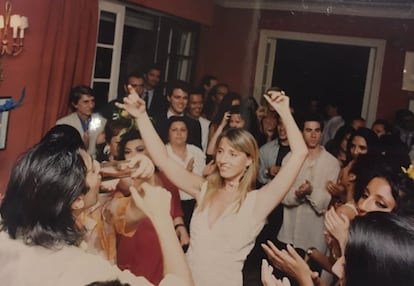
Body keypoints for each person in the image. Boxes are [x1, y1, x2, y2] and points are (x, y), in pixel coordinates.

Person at [116, 86, 308, 286]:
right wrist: (141, 117)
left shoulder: (258, 202)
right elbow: (163, 159)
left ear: (249, 160)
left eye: (233, 154)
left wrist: (284, 111)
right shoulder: (205, 189)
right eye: (221, 151)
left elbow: (299, 154)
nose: (224, 159)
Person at [0, 125, 194, 286]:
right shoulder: (88, 272)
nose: (100, 170)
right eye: (93, 169)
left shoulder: (7, 239)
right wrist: (162, 217)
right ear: (77, 200)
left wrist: (145, 174)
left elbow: (127, 210)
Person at [116, 128, 189, 284]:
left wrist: (180, 227)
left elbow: (175, 210)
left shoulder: (167, 179)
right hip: (134, 247)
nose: (134, 155)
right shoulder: (124, 182)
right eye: (128, 152)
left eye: (140, 150)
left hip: (161, 245)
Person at [56, 85, 106, 157]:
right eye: (86, 102)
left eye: (92, 101)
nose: (91, 105)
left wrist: (101, 145)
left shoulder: (103, 122)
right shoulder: (63, 124)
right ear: (75, 104)